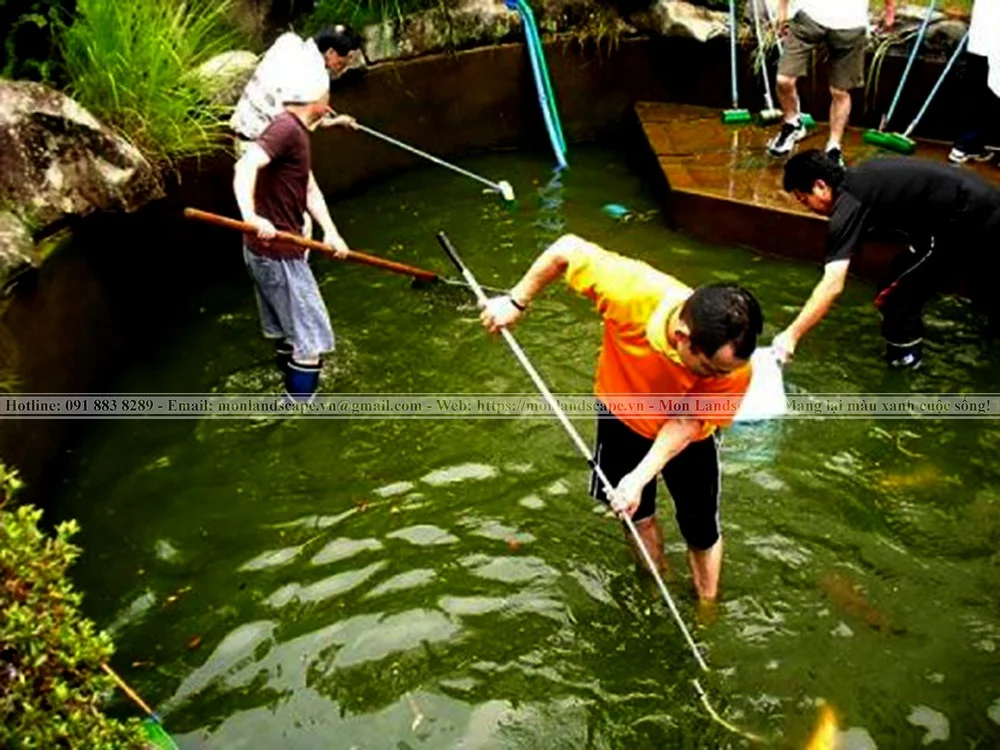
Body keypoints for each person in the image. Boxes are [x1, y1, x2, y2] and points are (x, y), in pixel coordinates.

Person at [479, 235, 763, 602]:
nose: (719, 378)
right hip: (621, 414)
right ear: (682, 337)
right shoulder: (632, 291)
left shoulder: (735, 369)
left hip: (689, 435)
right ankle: (656, 582)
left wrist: (640, 476)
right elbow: (565, 249)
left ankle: (707, 604)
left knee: (701, 526)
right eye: (709, 368)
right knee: (635, 514)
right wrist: (516, 301)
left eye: (726, 371)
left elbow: (687, 422)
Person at [774, 150, 1000, 369]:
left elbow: (833, 284)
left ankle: (905, 366)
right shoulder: (860, 179)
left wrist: (791, 336)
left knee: (894, 297)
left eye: (805, 200)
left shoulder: (849, 204)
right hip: (977, 207)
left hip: (969, 217)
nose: (809, 208)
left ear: (821, 185)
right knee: (982, 288)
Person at [233, 64, 349, 402]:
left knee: (291, 332)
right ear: (316, 100)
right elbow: (244, 166)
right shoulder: (285, 129)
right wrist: (251, 216)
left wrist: (331, 232)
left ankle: (289, 387)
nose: (329, 106)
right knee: (311, 340)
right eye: (327, 99)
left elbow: (309, 190)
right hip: (276, 251)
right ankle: (299, 410)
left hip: (274, 250)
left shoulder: (296, 131)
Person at [768, 0, 896, 164]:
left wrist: (890, 10)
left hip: (850, 26)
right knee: (783, 80)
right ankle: (793, 123)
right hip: (809, 18)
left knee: (839, 91)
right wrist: (782, 11)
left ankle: (833, 147)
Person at [231, 24, 363, 145]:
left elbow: (285, 96)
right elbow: (300, 127)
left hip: (240, 134)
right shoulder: (319, 79)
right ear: (331, 53)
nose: (347, 64)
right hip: (262, 148)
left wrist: (333, 118)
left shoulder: (287, 41)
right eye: (347, 58)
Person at [948, 0, 1000, 165]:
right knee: (980, 90)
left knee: (975, 90)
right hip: (989, 35)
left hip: (981, 36)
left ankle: (966, 146)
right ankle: (967, 145)